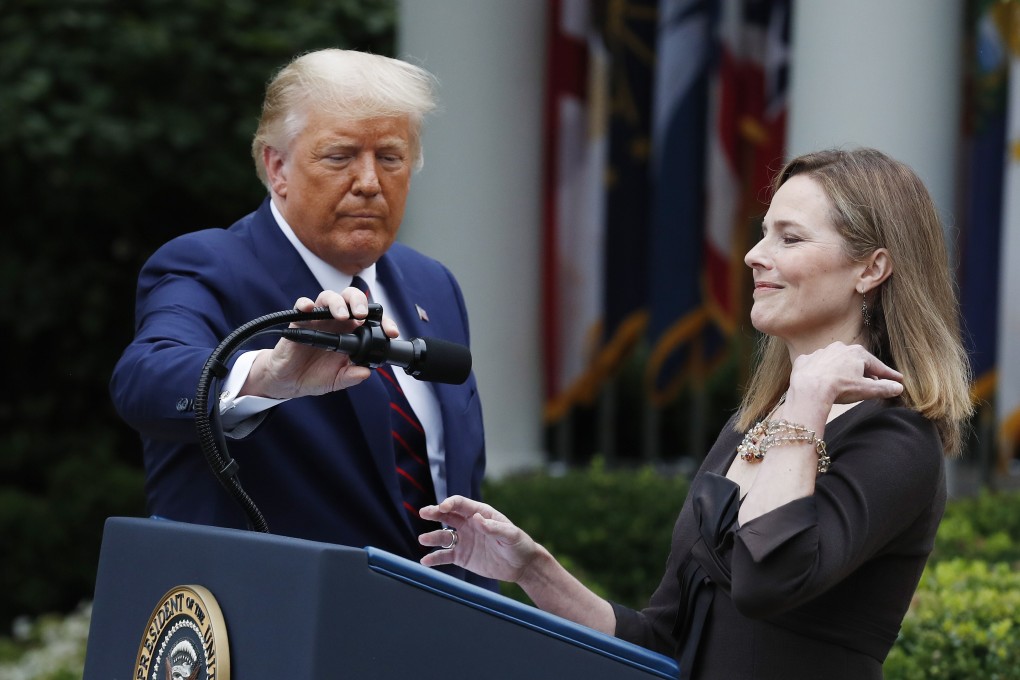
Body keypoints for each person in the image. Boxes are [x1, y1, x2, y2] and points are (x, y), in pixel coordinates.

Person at [418, 148, 974, 677]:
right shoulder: (755, 425)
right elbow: (662, 639)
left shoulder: (897, 437)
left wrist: (806, 401)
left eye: (790, 238)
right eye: (763, 233)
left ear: (871, 269)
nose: (756, 255)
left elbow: (768, 579)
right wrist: (531, 569)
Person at [110, 49, 491, 588]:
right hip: (272, 630)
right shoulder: (208, 266)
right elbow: (144, 380)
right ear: (277, 167)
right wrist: (269, 376)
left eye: (390, 157)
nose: (368, 182)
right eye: (339, 157)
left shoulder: (434, 286)